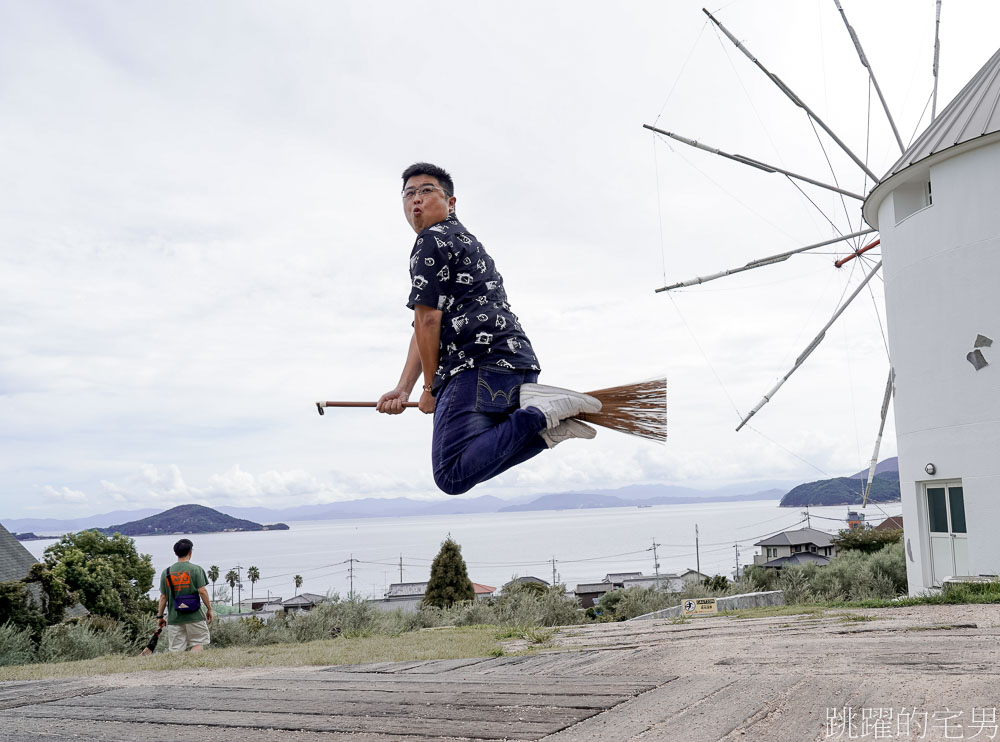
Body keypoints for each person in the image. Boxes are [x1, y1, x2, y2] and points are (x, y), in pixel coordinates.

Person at [377, 162, 602, 495]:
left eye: (426, 191)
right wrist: (403, 388)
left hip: (476, 369)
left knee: (451, 474)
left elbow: (428, 322)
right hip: (517, 365)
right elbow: (423, 323)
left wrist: (429, 389)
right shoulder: (466, 241)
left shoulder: (430, 241)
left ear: (451, 202)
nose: (416, 200)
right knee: (475, 460)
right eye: (409, 194)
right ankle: (545, 427)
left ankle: (539, 416)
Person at [157, 538, 212, 652]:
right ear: (190, 552)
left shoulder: (166, 572)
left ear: (176, 553)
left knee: (176, 649)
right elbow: (202, 591)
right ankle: (194, 667)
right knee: (198, 642)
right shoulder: (196, 569)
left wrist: (160, 616)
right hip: (194, 615)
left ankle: (178, 669)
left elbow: (163, 597)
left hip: (174, 616)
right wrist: (209, 609)